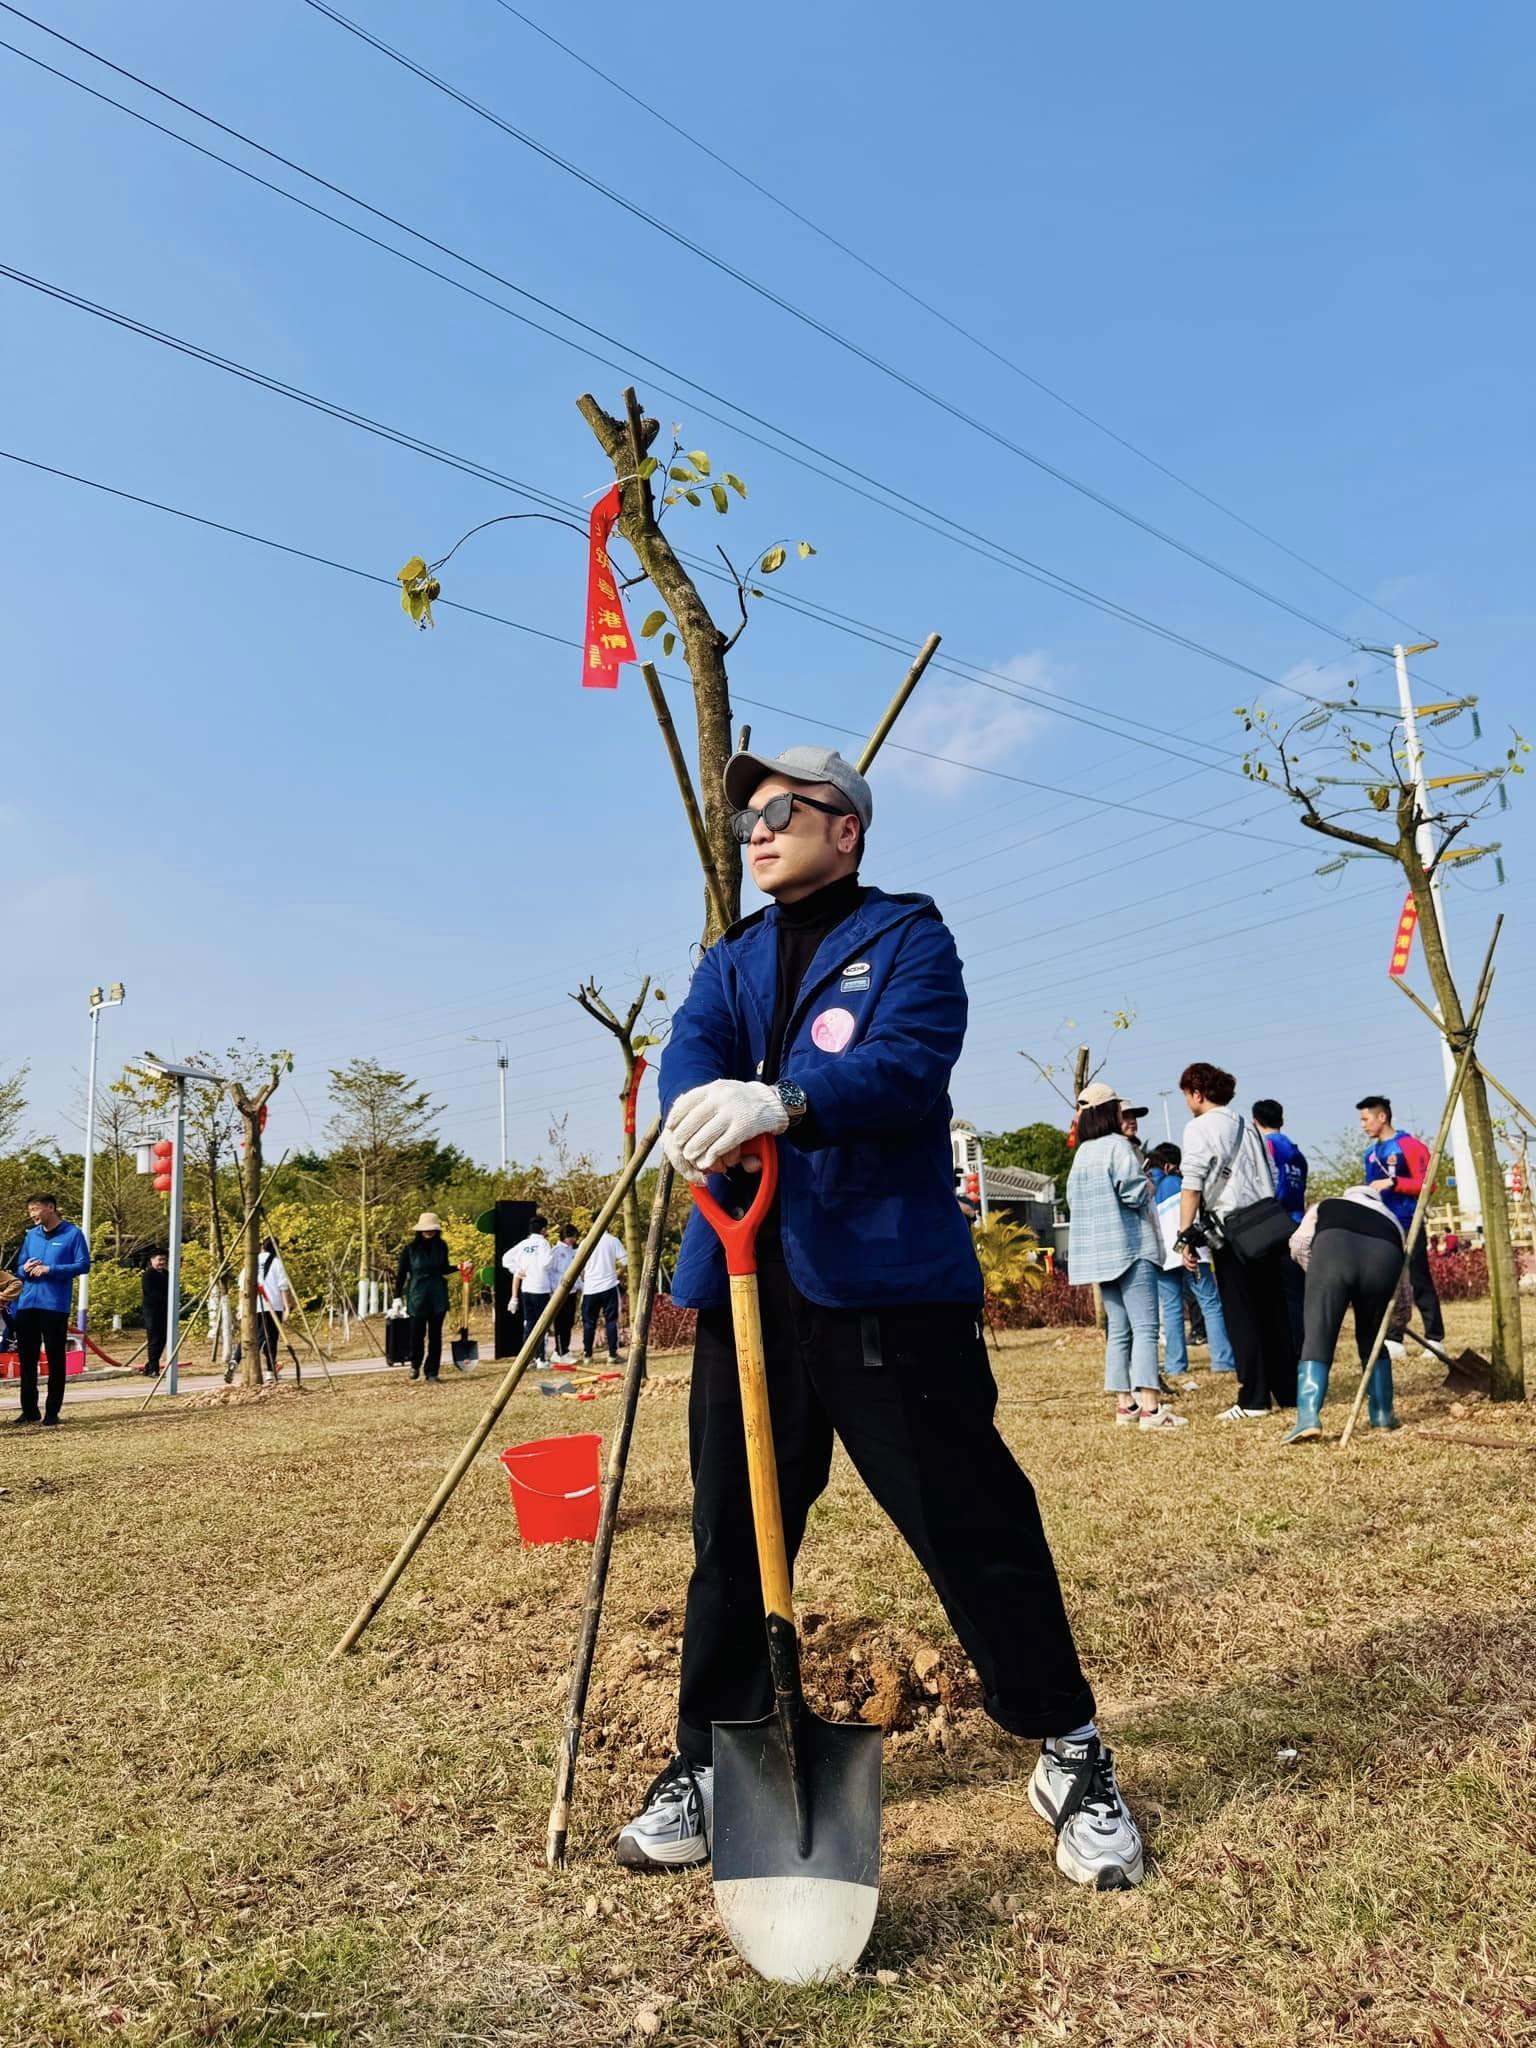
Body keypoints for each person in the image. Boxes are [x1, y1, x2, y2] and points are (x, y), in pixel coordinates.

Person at [617, 741, 1146, 1892]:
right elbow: (690, 1053)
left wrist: (787, 1098)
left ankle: (1068, 1748)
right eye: (747, 813)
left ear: (845, 828)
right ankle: (709, 1760)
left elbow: (908, 1068)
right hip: (746, 1284)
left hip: (888, 1290)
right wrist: (697, 1103)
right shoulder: (731, 957)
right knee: (733, 1537)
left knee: (971, 1519)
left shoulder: (908, 937)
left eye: (782, 808)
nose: (756, 827)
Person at [1174, 1064, 1297, 1420]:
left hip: (1232, 1233)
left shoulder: (1198, 1128)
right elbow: (1269, 1175)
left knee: (1241, 1315)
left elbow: (1192, 1185)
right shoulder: (1248, 1126)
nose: (1187, 1102)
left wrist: (1185, 1237)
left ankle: (1254, 1398)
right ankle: (1287, 1390)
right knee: (1273, 1312)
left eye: (1186, 1095)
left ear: (1197, 1093)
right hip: (1267, 1225)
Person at [1066, 1085, 1185, 1431]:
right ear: (1107, 1112)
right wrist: (1147, 1185)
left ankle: (1125, 1405)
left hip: (1100, 1255)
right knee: (1146, 1328)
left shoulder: (1082, 1154)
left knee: (1119, 1330)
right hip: (1132, 1249)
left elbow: (1076, 1202)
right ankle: (1151, 1407)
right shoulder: (1119, 1147)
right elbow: (1132, 1194)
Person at [1284, 1183, 1404, 1442]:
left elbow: (1299, 1244)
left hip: (1332, 1254)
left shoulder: (1326, 1205)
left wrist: (1320, 1279)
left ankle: (1307, 1419)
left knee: (1318, 1336)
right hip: (1383, 1261)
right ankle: (1382, 1415)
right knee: (1373, 1338)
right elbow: (1401, 1277)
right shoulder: (1392, 1219)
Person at [1356, 1096, 1445, 1342]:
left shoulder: (1410, 1146)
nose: (1362, 1125)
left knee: (1418, 1278)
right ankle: (1394, 1336)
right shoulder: (1370, 1153)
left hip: (1409, 1221)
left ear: (1382, 1117)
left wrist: (1394, 1182)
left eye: (1366, 1119)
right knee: (1389, 1281)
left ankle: (1434, 1337)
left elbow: (1428, 1184)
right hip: (1382, 1225)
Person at [1146, 1143, 1236, 1378]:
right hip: (1192, 1250)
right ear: (1174, 1163)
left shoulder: (1151, 1188)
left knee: (1172, 1309)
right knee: (1209, 1303)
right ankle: (1223, 1360)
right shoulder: (1182, 1183)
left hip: (1163, 1256)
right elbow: (1193, 1216)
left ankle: (1176, 1365)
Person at [10, 1193, 90, 1427]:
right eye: (30, 1210)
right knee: (27, 1359)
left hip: (54, 1306)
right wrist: (25, 1269)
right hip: (27, 1305)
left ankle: (52, 1412)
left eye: (36, 1209)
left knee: (55, 1359)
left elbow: (83, 1264)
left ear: (51, 1208)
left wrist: (50, 1269)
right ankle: (29, 1410)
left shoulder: (72, 1234)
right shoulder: (31, 1236)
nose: (32, 1214)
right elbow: (19, 1267)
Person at [1253, 1099, 1308, 1353]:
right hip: (1298, 1222)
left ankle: (1290, 1346)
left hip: (1275, 1223)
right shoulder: (1295, 1150)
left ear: (1255, 1121)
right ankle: (1303, 1342)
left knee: (1278, 1294)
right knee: (1296, 1292)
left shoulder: (1267, 1146)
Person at [395, 1212, 451, 1382]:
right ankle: (415, 1364)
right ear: (420, 1231)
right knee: (416, 1334)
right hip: (417, 1295)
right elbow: (401, 1274)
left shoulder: (441, 1247)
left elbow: (444, 1268)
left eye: (432, 1229)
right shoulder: (410, 1249)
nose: (429, 1232)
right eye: (426, 1229)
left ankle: (432, 1372)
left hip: (437, 1295)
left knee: (435, 1336)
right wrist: (397, 1296)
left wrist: (460, 1267)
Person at [503, 1214, 554, 1364]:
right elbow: (546, 1263)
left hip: (527, 1289)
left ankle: (527, 1357)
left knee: (529, 1322)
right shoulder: (544, 1243)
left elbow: (505, 1259)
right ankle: (541, 1357)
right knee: (541, 1324)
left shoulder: (524, 1244)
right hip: (541, 1288)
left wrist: (517, 1270)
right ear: (544, 1229)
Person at [579, 1227, 627, 1365]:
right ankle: (612, 1355)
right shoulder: (612, 1240)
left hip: (590, 1289)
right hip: (609, 1286)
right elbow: (625, 1261)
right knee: (611, 1321)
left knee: (589, 1323)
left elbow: (579, 1265)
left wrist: (585, 1278)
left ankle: (587, 1355)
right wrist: (619, 1274)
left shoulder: (585, 1242)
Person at [256, 1236, 295, 1381]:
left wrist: (241, 1307)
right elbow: (283, 1286)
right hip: (274, 1305)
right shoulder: (277, 1263)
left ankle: (238, 1358)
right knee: (270, 1339)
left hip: (255, 1306)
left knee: (257, 1337)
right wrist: (287, 1307)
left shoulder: (252, 1261)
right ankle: (270, 1371)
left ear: (262, 1247)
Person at [548, 1223, 581, 1365]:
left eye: (574, 1237)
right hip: (559, 1291)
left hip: (572, 1291)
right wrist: (552, 1290)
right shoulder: (556, 1251)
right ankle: (562, 1351)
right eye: (570, 1237)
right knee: (561, 1323)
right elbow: (550, 1271)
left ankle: (560, 1350)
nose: (572, 1240)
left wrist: (581, 1286)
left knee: (568, 1322)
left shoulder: (573, 1252)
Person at [141, 1248, 170, 1377]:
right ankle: (153, 1368)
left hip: (165, 1311)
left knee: (163, 1339)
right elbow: (150, 1293)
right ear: (152, 1260)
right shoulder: (148, 1275)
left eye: (164, 1259)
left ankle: (150, 1366)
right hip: (152, 1312)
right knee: (154, 1339)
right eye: (159, 1259)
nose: (162, 1262)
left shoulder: (167, 1274)